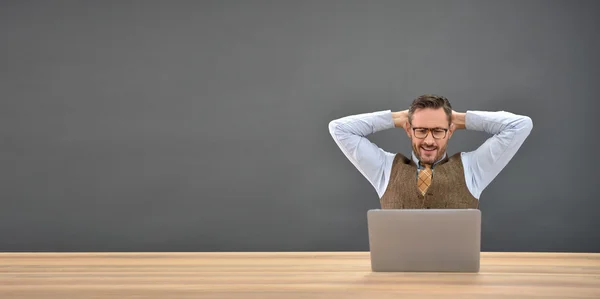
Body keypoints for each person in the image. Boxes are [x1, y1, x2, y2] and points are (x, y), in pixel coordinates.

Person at [328, 94, 533, 209]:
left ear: (450, 131)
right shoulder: (384, 169)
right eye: (420, 130)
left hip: (455, 279)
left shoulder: (473, 169)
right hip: (396, 277)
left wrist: (460, 119)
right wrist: (396, 118)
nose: (428, 140)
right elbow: (339, 129)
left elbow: (520, 125)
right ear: (408, 129)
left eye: (437, 131)